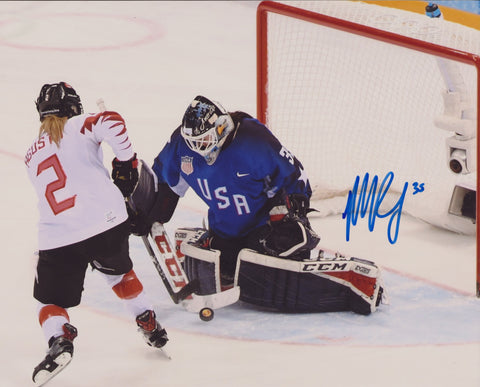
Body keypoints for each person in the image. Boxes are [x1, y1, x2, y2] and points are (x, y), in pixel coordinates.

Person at [129, 95, 385, 315]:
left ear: (220, 128)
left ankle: (304, 253)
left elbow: (295, 177)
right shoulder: (182, 145)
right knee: (230, 263)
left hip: (265, 228)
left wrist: (287, 216)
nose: (198, 150)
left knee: (282, 244)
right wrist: (149, 212)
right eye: (193, 143)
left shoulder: (253, 140)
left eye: (204, 142)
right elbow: (165, 182)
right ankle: (221, 244)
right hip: (226, 229)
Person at [25, 82, 168, 386]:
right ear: (73, 107)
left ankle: (59, 339)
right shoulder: (78, 124)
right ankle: (148, 320)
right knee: (119, 275)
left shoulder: (30, 155)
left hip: (59, 236)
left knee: (49, 302)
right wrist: (126, 163)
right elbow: (112, 120)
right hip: (107, 223)